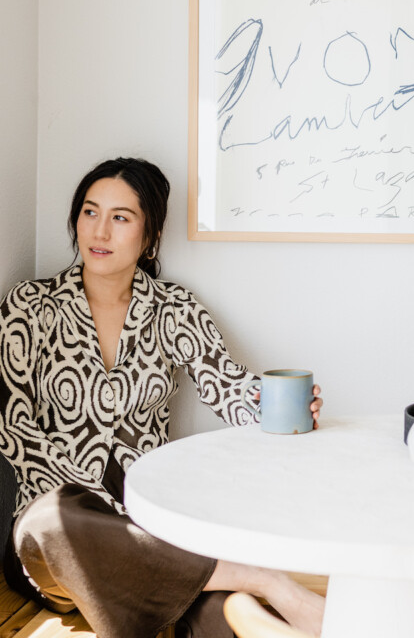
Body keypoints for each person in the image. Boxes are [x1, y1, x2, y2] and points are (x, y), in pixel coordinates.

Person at [0, 157, 325, 638]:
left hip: (152, 524)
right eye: (90, 212)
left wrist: (282, 409)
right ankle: (266, 581)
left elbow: (228, 385)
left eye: (120, 217)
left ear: (149, 237)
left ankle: (251, 616)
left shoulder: (174, 308)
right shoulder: (30, 306)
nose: (100, 231)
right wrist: (102, 504)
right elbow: (13, 429)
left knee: (212, 603)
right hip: (56, 539)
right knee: (54, 521)